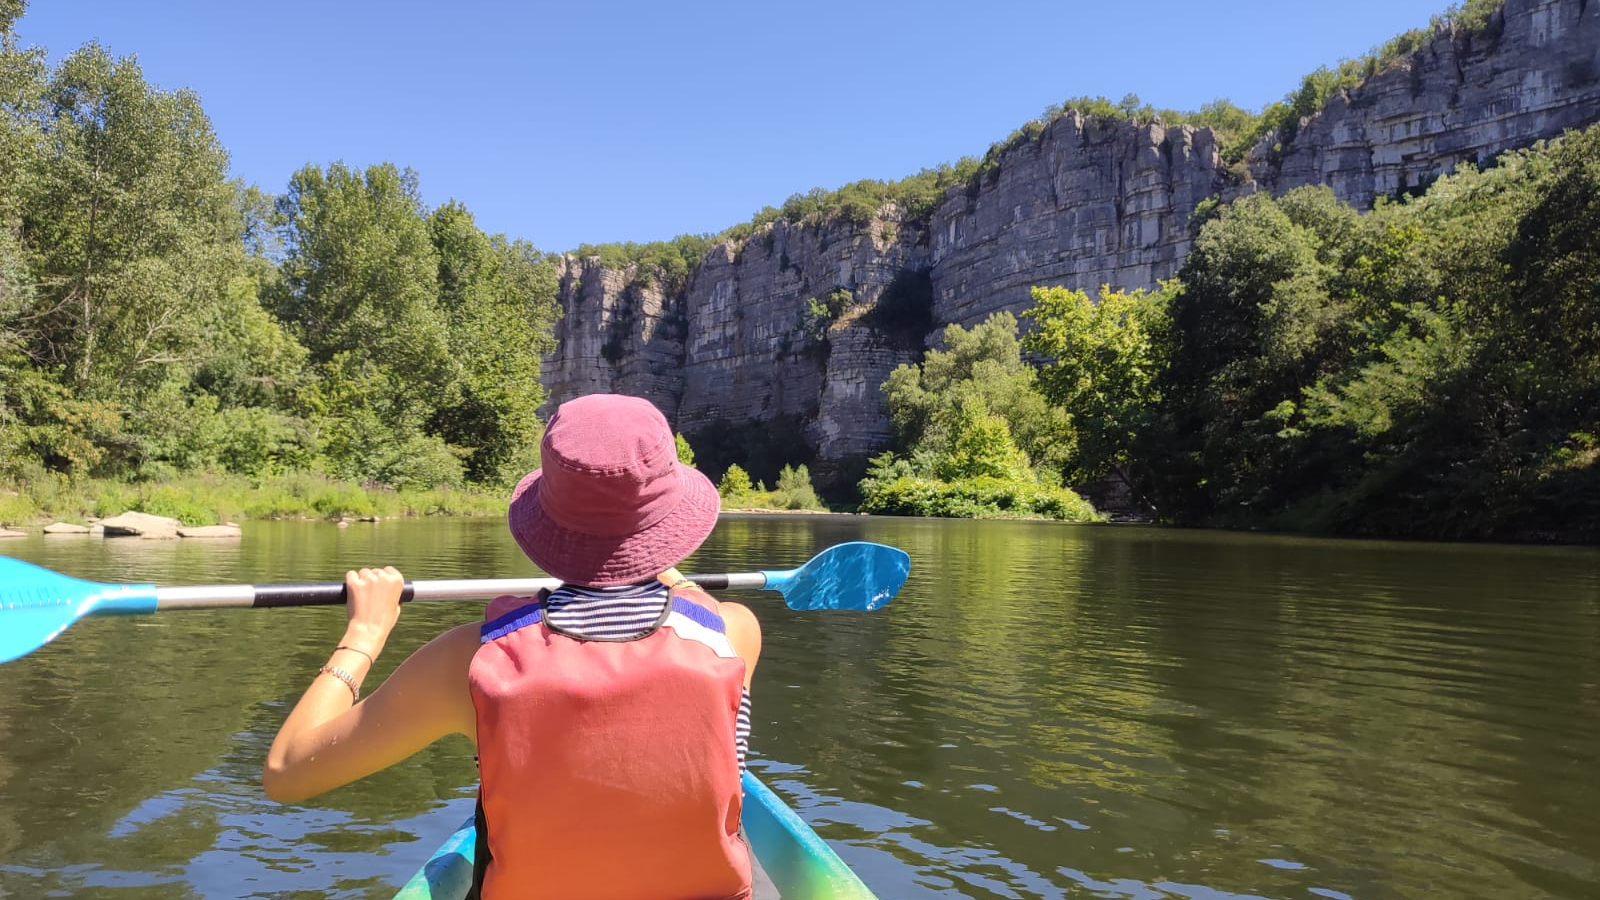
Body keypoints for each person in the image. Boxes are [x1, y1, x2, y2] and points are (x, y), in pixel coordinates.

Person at [263, 393, 764, 900]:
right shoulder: (734, 634)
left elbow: (285, 773)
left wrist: (363, 635)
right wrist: (642, 552)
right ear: (671, 524)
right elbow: (687, 600)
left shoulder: (471, 661)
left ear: (548, 521)